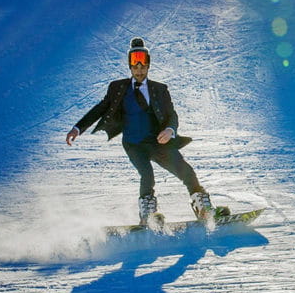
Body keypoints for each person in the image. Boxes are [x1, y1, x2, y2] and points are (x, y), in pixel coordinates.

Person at [66, 37, 225, 225]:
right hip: (134, 145)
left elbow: (172, 115)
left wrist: (169, 130)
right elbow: (100, 109)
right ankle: (148, 216)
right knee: (147, 175)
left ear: (148, 66)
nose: (139, 70)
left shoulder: (160, 89)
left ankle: (204, 210)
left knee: (187, 172)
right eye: (135, 66)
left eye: (142, 66)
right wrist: (78, 128)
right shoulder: (118, 88)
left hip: (158, 143)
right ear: (130, 67)